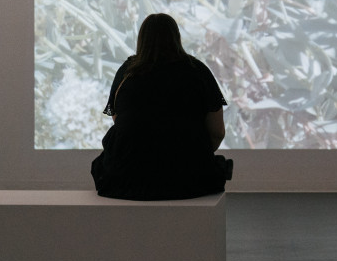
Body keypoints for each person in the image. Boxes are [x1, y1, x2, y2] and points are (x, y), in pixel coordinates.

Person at [90, 13, 232, 200]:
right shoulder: (197, 70)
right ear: (177, 37)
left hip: (126, 179)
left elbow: (120, 120)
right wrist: (196, 152)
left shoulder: (127, 72)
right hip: (189, 179)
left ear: (141, 39)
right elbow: (217, 132)